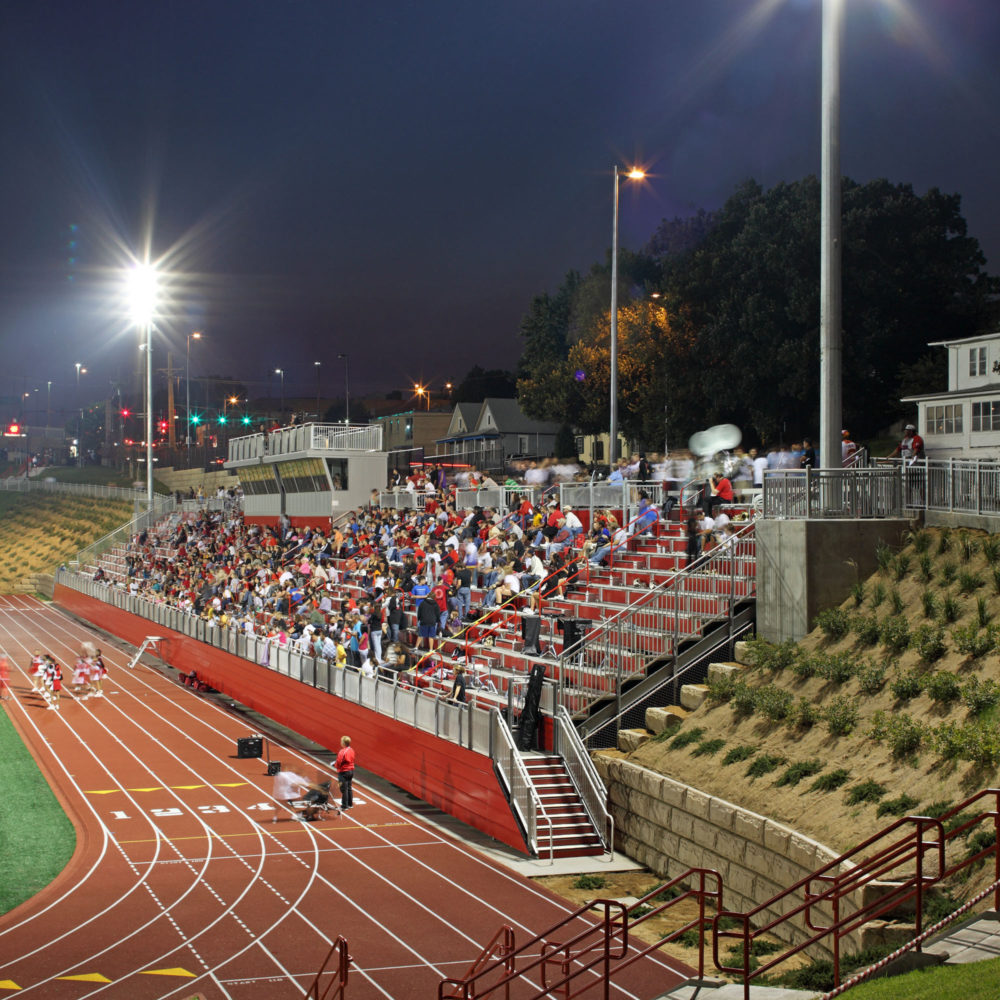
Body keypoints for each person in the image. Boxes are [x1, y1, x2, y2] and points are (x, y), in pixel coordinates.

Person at [336, 735, 355, 811]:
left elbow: (339, 761)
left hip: (343, 772)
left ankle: (344, 805)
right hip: (351, 771)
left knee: (344, 789)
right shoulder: (351, 750)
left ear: (343, 743)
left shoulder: (342, 751)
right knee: (349, 787)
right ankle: (350, 804)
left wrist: (336, 766)